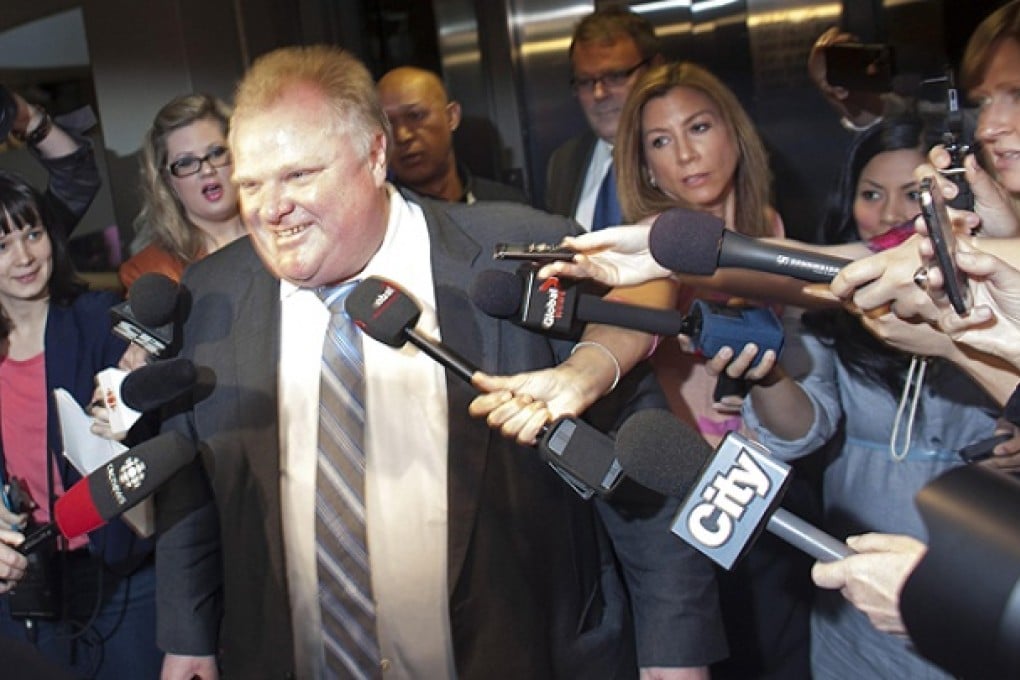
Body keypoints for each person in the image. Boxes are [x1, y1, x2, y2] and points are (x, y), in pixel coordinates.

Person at [155, 44, 726, 680]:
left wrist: (676, 660)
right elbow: (192, 476)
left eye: (298, 176)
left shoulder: (514, 259)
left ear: (375, 156)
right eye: (251, 183)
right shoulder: (211, 294)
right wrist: (188, 633)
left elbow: (642, 468)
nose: (269, 208)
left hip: (523, 651)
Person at [730, 115, 1001, 679]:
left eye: (914, 195)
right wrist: (768, 375)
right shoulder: (830, 303)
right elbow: (803, 429)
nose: (893, 215)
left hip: (978, 585)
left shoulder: (998, 294)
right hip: (854, 595)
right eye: (871, 194)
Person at [613, 60, 818, 679]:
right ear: (646, 166)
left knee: (782, 649)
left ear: (733, 131)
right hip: (691, 485)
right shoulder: (649, 245)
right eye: (660, 142)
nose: (685, 154)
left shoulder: (771, 226)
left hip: (774, 471)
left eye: (698, 127)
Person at [0, 171, 162, 679]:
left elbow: (150, 449)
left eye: (32, 234)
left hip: (119, 572)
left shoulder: (98, 321)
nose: (24, 258)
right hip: (26, 588)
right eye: (1, 244)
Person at [545, 4, 662, 229]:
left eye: (616, 76)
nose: (599, 94)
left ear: (654, 69)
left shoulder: (682, 155)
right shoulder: (563, 163)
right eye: (586, 82)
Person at [118, 93, 245, 290]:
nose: (207, 170)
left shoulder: (283, 232)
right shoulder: (150, 271)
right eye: (186, 162)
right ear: (168, 180)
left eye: (217, 153)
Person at [376, 66, 528, 204]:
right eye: (388, 124)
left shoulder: (505, 205)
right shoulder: (381, 222)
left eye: (415, 116)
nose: (402, 136)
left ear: (451, 117)